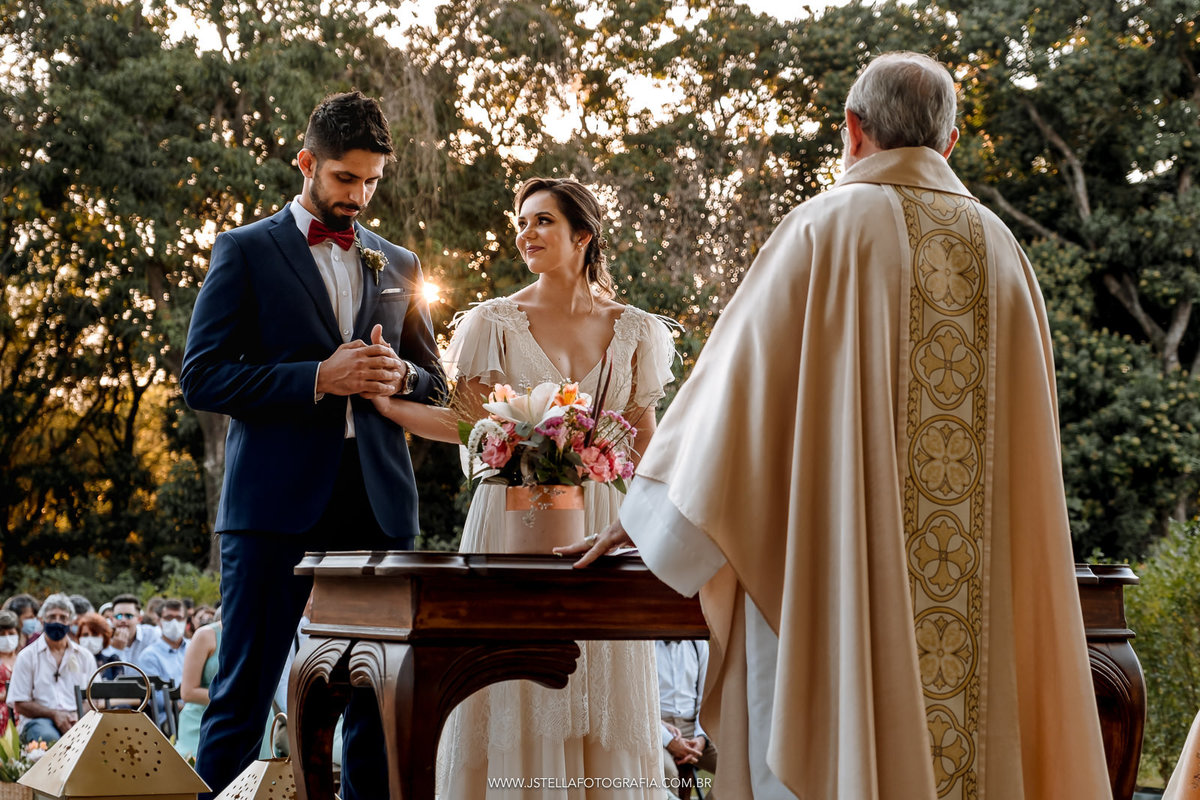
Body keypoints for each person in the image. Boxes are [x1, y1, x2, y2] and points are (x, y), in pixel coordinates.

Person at [562, 52, 1114, 800]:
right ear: (947, 145)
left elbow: (732, 400)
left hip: (835, 587)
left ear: (852, 131)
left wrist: (643, 517)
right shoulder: (1002, 251)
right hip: (986, 617)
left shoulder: (824, 229)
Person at [370, 177, 676, 798]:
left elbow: (647, 444)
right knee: (512, 678)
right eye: (522, 221)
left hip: (600, 523)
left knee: (598, 679)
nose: (525, 233)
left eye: (542, 221)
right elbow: (464, 422)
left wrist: (651, 521)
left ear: (582, 235)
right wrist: (389, 406)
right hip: (511, 518)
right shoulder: (492, 322)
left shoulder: (638, 330)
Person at [180, 89, 445, 800]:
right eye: (344, 178)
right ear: (307, 163)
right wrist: (316, 379)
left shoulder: (398, 262)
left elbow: (436, 381)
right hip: (272, 512)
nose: (359, 196)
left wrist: (403, 374)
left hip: (380, 508)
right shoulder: (245, 251)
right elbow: (201, 377)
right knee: (240, 694)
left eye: (371, 182)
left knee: (373, 703)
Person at [8, 593, 96, 745]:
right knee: (49, 737)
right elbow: (19, 703)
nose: (57, 621)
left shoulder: (84, 656)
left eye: (63, 617)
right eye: (52, 617)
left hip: (78, 720)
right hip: (38, 722)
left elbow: (94, 697)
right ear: (42, 620)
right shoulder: (27, 656)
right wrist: (55, 715)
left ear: (71, 621)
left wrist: (76, 715)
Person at [657, 639, 716, 799]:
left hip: (693, 725)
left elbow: (706, 698)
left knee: (735, 763)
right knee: (668, 772)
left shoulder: (698, 644)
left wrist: (701, 738)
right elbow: (640, 704)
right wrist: (669, 740)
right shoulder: (644, 645)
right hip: (656, 726)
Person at [175, 615, 221, 761]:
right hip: (204, 718)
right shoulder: (206, 635)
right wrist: (235, 699)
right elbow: (188, 693)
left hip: (253, 715)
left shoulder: (262, 634)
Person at [137, 598, 188, 727]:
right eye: (169, 618)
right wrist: (188, 710)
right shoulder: (149, 656)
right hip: (170, 720)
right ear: (159, 621)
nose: (174, 622)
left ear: (186, 620)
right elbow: (157, 699)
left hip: (200, 713)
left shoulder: (195, 648)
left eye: (179, 618)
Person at [108, 593, 158, 666]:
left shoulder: (152, 634)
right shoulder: (104, 638)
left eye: (129, 616)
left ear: (139, 619)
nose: (123, 620)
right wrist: (117, 650)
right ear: (112, 619)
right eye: (118, 616)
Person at [75, 612, 119, 679]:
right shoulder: (73, 661)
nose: (89, 639)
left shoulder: (113, 662)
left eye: (95, 635)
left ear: (104, 637)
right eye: (85, 635)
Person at [0, 610, 18, 736]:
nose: (7, 637)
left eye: (11, 633)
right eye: (2, 634)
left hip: (21, 713)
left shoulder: (24, 657)